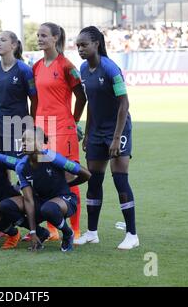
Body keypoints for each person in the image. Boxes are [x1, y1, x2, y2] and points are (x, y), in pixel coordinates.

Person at [74, 26, 139, 250]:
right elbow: (91, 104)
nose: (80, 49)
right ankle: (92, 232)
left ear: (97, 44)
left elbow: (124, 104)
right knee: (94, 180)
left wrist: (116, 137)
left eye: (84, 45)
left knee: (120, 179)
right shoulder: (83, 69)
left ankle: (132, 234)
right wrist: (88, 132)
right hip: (96, 132)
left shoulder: (111, 68)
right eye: (78, 46)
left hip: (118, 131)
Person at [32, 22, 87, 242]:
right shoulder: (36, 66)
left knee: (68, 176)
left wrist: (73, 121)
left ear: (56, 38)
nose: (39, 38)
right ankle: (53, 229)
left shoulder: (66, 65)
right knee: (45, 178)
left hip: (63, 129)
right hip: (40, 130)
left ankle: (75, 228)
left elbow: (81, 96)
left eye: (44, 35)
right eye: (38, 35)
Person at [15, 127, 91, 252]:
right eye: (22, 140)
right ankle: (41, 233)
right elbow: (28, 200)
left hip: (64, 200)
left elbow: (86, 174)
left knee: (49, 208)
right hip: (41, 202)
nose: (23, 143)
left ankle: (68, 233)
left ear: (40, 143)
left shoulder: (52, 157)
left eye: (28, 140)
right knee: (8, 207)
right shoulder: (21, 166)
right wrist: (33, 232)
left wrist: (69, 184)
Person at [0, 30, 37, 157]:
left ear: (14, 45)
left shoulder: (24, 70)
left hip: (18, 128)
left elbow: (35, 100)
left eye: (3, 40)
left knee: (19, 164)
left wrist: (31, 126)